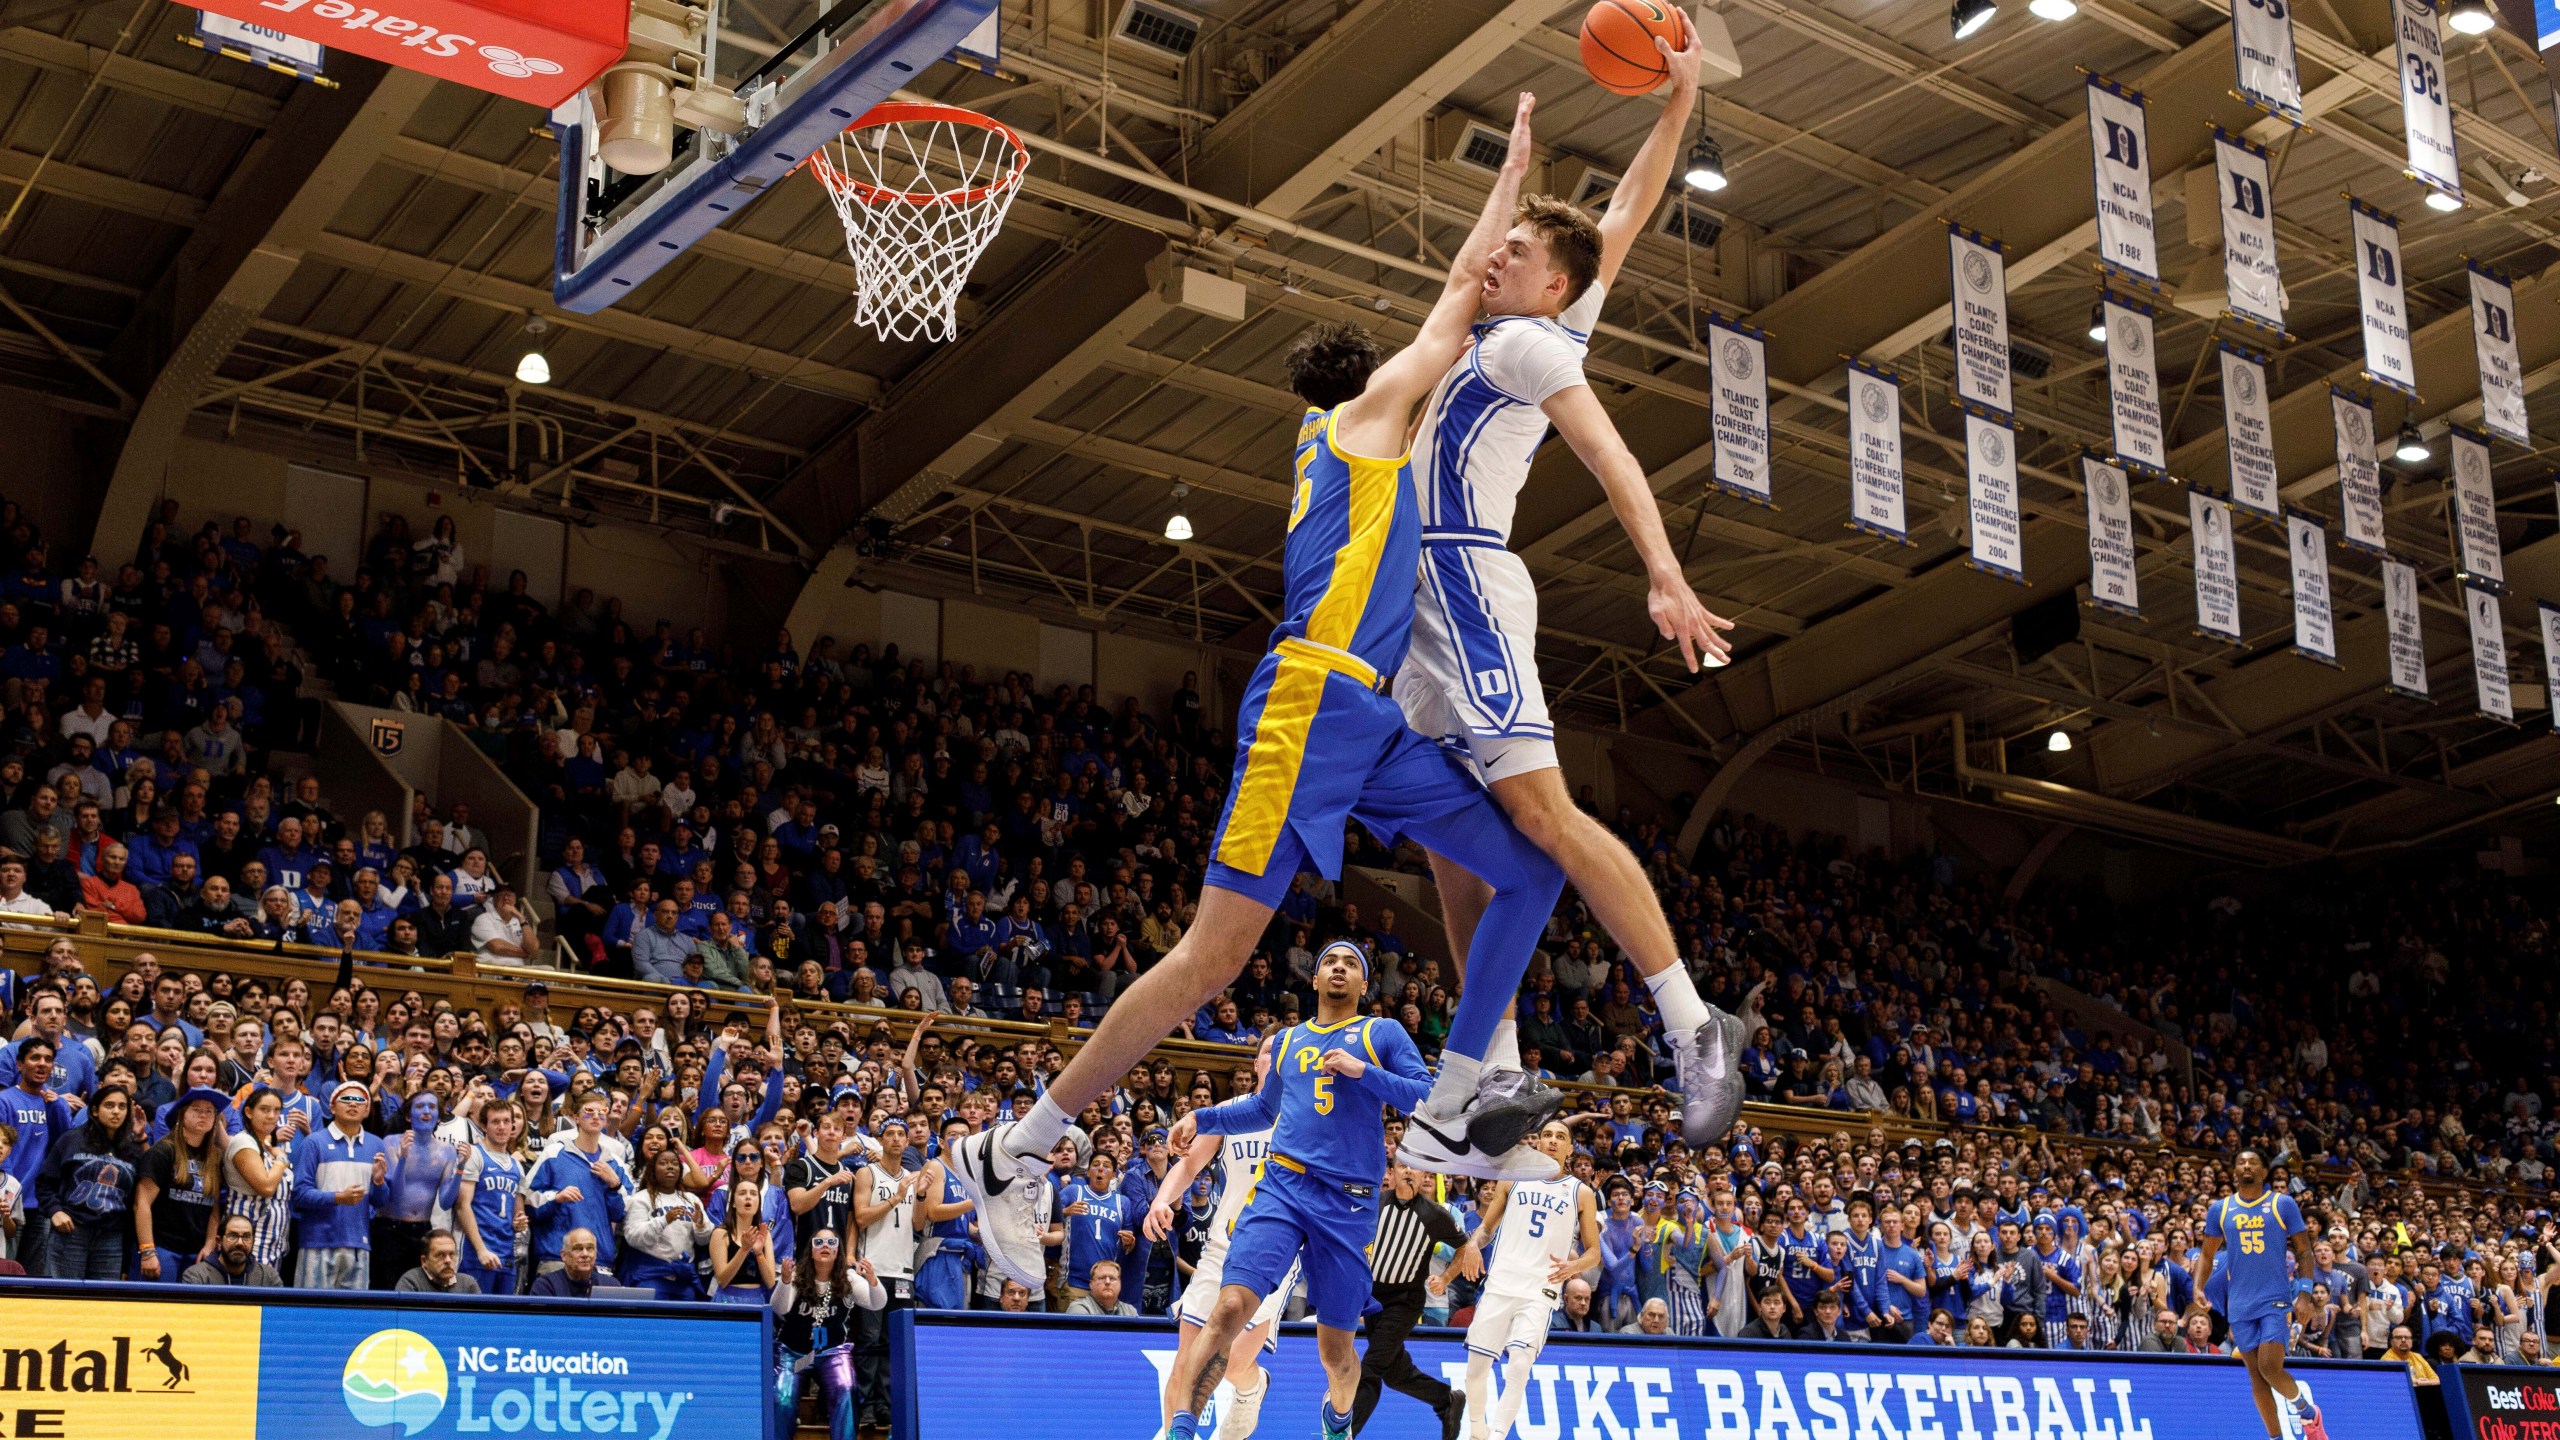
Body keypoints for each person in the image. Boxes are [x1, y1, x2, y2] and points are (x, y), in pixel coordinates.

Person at [945, 95, 1571, 1281]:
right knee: (1211, 960)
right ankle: (1014, 1150)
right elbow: (1453, 293)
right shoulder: (1367, 416)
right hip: (1308, 705)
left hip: (1368, 714)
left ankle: (1454, 1101)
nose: (1432, 359)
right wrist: (1509, 194)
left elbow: (1451, 307)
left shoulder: (1337, 436)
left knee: (1530, 868)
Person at [1394, 11, 1750, 1158]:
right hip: (1411, 600)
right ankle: (1491, 1073)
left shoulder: (1529, 345)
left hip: (1466, 584)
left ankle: (1694, 1024)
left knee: (1540, 816)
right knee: (1448, 846)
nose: (1490, 256)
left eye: (1513, 256)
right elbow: (1628, 217)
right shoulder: (1516, 319)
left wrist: (1662, 574)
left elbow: (1612, 456)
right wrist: (1678, 106)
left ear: (1551, 286)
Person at [1160, 942, 1435, 1440]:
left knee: (1335, 1353)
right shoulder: (1287, 1042)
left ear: (1364, 985)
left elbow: (1427, 1096)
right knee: (1228, 1307)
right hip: (1283, 1187)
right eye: (1330, 961)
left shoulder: (1382, 1032)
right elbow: (1263, 1111)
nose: (1338, 968)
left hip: (1348, 1202)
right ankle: (1182, 1428)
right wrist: (1203, 1116)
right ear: (1314, 979)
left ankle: (1339, 1419)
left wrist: (1363, 1073)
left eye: (1351, 964)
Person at [1146, 1049, 1288, 1440]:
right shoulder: (1231, 1110)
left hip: (1279, 1251)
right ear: (1255, 1064)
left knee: (1233, 1360)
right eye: (1267, 1053)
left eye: (1284, 1052)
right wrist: (1161, 1200)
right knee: (1187, 1360)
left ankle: (1252, 1385)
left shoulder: (1308, 1114)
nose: (1275, 1059)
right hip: (1223, 1246)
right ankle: (1173, 1433)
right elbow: (1189, 1165)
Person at [1451, 1121, 1598, 1440]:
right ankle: (1477, 1430)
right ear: (1538, 1143)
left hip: (1539, 1291)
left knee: (1519, 1363)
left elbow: (1594, 1254)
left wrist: (1573, 1269)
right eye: (1547, 1135)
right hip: (1501, 1284)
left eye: (1561, 1137)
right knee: (1476, 1368)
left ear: (1569, 1149)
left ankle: (1498, 1434)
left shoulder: (1581, 1193)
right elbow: (1486, 1228)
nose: (1553, 1140)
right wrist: (1474, 1245)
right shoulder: (1512, 1178)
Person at [2199, 1149, 2329, 1440]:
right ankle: (2276, 1437)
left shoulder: (2281, 1204)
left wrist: (2305, 1294)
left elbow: (2305, 1250)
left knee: (2270, 1367)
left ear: (2264, 1172)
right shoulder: (2219, 1209)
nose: (2246, 1166)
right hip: (2240, 1303)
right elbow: (2207, 1256)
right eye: (2241, 1162)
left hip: (2275, 1299)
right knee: (2256, 1377)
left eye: (2253, 1162)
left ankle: (2308, 1413)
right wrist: (2198, 1286)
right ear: (2234, 1172)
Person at [1354, 1160, 1470, 1439]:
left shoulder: (1435, 1215)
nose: (1408, 1171)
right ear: (1391, 1173)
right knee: (1395, 1374)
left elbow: (1464, 1247)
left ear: (1423, 1176)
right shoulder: (1375, 1201)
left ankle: (1344, 1432)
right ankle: (1446, 1399)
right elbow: (1346, 1191)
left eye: (1414, 1168)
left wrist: (1445, 1279)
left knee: (1370, 1369)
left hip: (1405, 1301)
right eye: (1402, 1166)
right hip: (1374, 1299)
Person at [291, 1079, 390, 1288]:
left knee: (353, 1317)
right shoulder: (314, 1142)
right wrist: (337, 1197)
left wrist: (379, 1182)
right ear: (332, 1107)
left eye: (359, 1100)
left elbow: (381, 1202)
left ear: (367, 1109)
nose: (353, 1104)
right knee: (312, 1312)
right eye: (346, 1099)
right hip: (317, 1241)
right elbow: (299, 1194)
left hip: (358, 1243)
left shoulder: (376, 1144)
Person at [39, 1083, 135, 1279]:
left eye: (122, 1106)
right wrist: (55, 1210)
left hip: (111, 1238)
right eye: (109, 1105)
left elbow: (134, 1202)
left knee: (102, 1303)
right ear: (94, 1110)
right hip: (72, 1231)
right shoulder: (71, 1140)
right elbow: (44, 1183)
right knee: (63, 1299)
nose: (116, 1111)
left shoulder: (131, 1150)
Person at [136, 1086, 225, 1282]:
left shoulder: (215, 1158)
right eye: (196, 1109)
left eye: (209, 1111)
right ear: (182, 1114)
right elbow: (141, 1203)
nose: (203, 1115)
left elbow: (215, 1208)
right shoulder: (163, 1151)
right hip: (162, 1248)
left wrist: (210, 1244)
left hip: (196, 1252)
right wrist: (147, 1250)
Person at [453, 1097, 529, 1296]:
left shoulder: (516, 1166)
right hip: (477, 1252)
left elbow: (518, 1217)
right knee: (475, 1316)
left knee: (502, 1319)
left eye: (506, 1121)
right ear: (485, 1126)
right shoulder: (475, 1156)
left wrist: (520, 1222)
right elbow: (462, 1206)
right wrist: (481, 1250)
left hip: (506, 1254)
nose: (502, 1127)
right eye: (495, 1122)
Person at [182, 1212, 282, 1286]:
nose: (239, 1243)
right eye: (233, 1236)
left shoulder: (269, 1277)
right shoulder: (197, 1276)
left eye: (246, 1237)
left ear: (253, 1241)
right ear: (219, 1241)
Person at [395, 1229, 481, 1293]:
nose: (448, 1260)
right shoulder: (411, 1282)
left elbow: (479, 1317)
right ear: (424, 1261)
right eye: (440, 1255)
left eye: (452, 1254)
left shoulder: (468, 1284)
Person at [530, 1227, 606, 1297]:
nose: (585, 1254)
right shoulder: (546, 1286)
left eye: (590, 1248)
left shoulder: (610, 1285)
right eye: (578, 1249)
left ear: (596, 1254)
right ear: (564, 1255)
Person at [1064, 1258, 1138, 1316]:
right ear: (1091, 1284)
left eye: (1112, 1278)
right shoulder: (1079, 1309)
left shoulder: (1130, 1311)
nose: (1107, 1282)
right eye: (1102, 1278)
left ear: (1120, 1283)